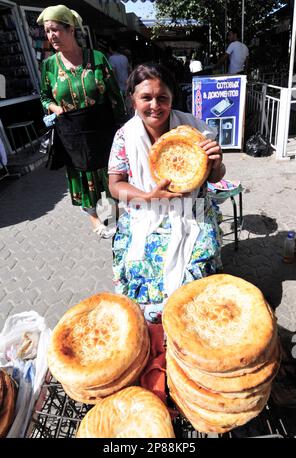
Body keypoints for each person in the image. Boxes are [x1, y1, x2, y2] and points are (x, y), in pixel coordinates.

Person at [108, 62, 225, 323]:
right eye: (146, 97)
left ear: (172, 98)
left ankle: (190, 317)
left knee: (195, 269)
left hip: (191, 212)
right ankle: (155, 322)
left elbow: (216, 177)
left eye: (163, 98)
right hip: (145, 212)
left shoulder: (197, 131)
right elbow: (115, 185)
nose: (155, 105)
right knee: (137, 264)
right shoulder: (125, 137)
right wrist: (149, 197)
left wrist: (216, 162)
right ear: (132, 100)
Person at [38, 5, 126, 237]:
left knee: (107, 173)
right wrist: (54, 107)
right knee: (82, 174)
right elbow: (44, 96)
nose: (51, 36)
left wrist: (123, 129)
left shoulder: (96, 58)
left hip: (101, 126)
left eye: (55, 30)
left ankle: (113, 215)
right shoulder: (49, 66)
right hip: (71, 129)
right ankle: (94, 218)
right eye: (47, 32)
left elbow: (114, 95)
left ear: (70, 29)